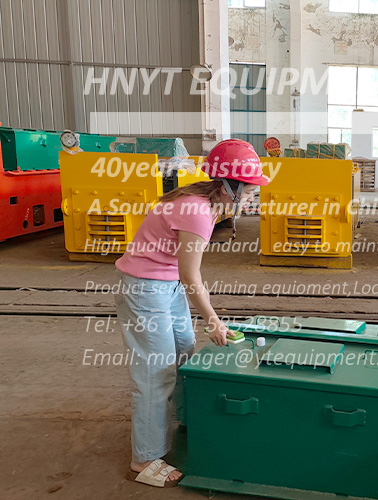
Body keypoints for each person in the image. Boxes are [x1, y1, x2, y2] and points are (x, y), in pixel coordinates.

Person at [114, 139, 269, 487]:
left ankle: (184, 420)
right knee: (157, 370)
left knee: (183, 350)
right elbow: (191, 276)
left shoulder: (203, 201)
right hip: (144, 286)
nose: (251, 196)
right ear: (230, 186)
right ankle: (144, 458)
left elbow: (182, 274)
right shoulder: (197, 211)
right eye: (249, 190)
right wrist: (213, 319)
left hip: (163, 282)